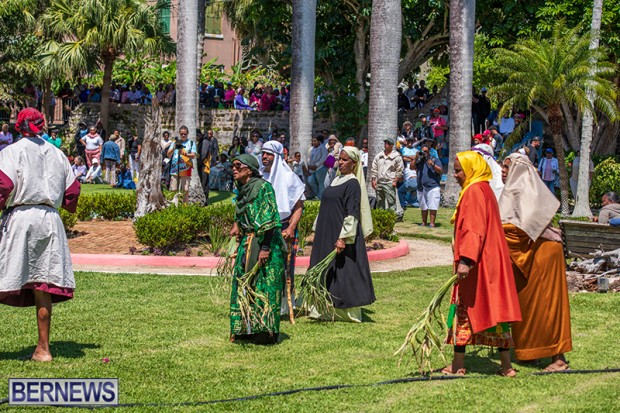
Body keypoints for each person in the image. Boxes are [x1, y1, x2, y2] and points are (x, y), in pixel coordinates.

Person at [0, 108, 80, 362]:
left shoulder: (12, 151)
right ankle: (43, 349)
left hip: (21, 217)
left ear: (19, 126)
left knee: (5, 273)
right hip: (50, 219)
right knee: (42, 283)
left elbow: (4, 184)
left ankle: (42, 349)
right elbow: (72, 191)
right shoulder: (57, 154)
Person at [443, 151, 521, 377]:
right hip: (490, 262)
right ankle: (506, 366)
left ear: (471, 169)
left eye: (458, 171)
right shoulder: (484, 188)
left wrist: (466, 261)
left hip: (478, 265)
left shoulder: (474, 191)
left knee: (464, 311)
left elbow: (473, 229)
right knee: (498, 313)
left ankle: (458, 365)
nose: (455, 175)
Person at [499, 153, 572, 371]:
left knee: (549, 306)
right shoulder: (516, 191)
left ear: (518, 170)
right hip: (528, 257)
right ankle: (531, 352)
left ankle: (559, 358)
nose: (503, 170)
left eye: (507, 167)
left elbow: (517, 230)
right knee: (528, 306)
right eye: (503, 166)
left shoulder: (523, 191)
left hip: (542, 256)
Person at [309, 146, 375, 322]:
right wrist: (317, 228)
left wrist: (343, 237)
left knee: (343, 271)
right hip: (326, 232)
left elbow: (352, 212)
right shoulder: (336, 179)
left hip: (339, 234)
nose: (341, 162)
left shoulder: (352, 183)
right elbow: (325, 206)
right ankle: (321, 307)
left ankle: (343, 311)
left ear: (354, 164)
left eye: (345, 160)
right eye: (340, 159)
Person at [228, 154, 285, 344]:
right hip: (248, 242)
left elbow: (270, 219)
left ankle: (264, 332)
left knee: (264, 284)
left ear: (250, 170)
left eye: (238, 165)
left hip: (264, 243)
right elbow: (242, 213)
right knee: (243, 283)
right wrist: (237, 225)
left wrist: (265, 248)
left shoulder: (263, 188)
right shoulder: (242, 189)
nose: (234, 169)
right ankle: (244, 329)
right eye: (233, 166)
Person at [261, 141, 305, 316]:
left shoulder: (290, 178)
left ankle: (283, 306)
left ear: (278, 157)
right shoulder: (259, 176)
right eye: (263, 153)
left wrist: (292, 227)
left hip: (284, 227)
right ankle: (263, 302)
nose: (264, 157)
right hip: (262, 228)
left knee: (284, 267)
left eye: (269, 154)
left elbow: (299, 206)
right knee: (262, 264)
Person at [371, 137, 404, 220]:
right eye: (385, 143)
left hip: (389, 182)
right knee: (380, 202)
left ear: (392, 145)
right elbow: (374, 168)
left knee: (391, 202)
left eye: (388, 144)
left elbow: (399, 169)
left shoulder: (396, 156)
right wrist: (373, 179)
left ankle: (391, 219)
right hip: (379, 182)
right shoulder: (379, 156)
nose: (386, 145)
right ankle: (380, 219)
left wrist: (395, 181)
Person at [414, 142, 442, 226]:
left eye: (425, 151)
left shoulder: (434, 159)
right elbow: (411, 167)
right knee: (423, 206)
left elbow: (440, 170)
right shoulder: (419, 161)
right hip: (421, 187)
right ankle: (424, 223)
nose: (424, 153)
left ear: (429, 151)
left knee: (433, 205)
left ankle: (432, 223)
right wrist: (415, 158)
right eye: (422, 151)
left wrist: (432, 165)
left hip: (432, 186)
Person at [167, 126, 196, 203]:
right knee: (173, 189)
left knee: (185, 190)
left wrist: (185, 154)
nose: (183, 135)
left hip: (186, 168)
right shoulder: (174, 142)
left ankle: (185, 207)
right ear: (179, 134)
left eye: (185, 134)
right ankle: (174, 205)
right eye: (181, 134)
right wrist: (174, 148)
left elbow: (193, 155)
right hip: (175, 168)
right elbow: (168, 154)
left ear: (188, 133)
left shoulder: (191, 143)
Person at [198, 129, 219, 205]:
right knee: (204, 183)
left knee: (204, 184)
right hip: (203, 165)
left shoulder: (205, 142)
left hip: (204, 165)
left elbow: (203, 155)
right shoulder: (203, 142)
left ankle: (204, 200)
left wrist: (198, 164)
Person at [307, 135, 329, 200]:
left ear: (319, 141)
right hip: (312, 168)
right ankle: (317, 194)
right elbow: (308, 157)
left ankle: (320, 196)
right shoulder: (311, 149)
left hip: (320, 168)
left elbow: (323, 158)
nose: (313, 142)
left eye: (315, 141)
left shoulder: (323, 148)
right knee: (310, 181)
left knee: (320, 182)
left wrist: (316, 165)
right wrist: (309, 165)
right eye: (313, 141)